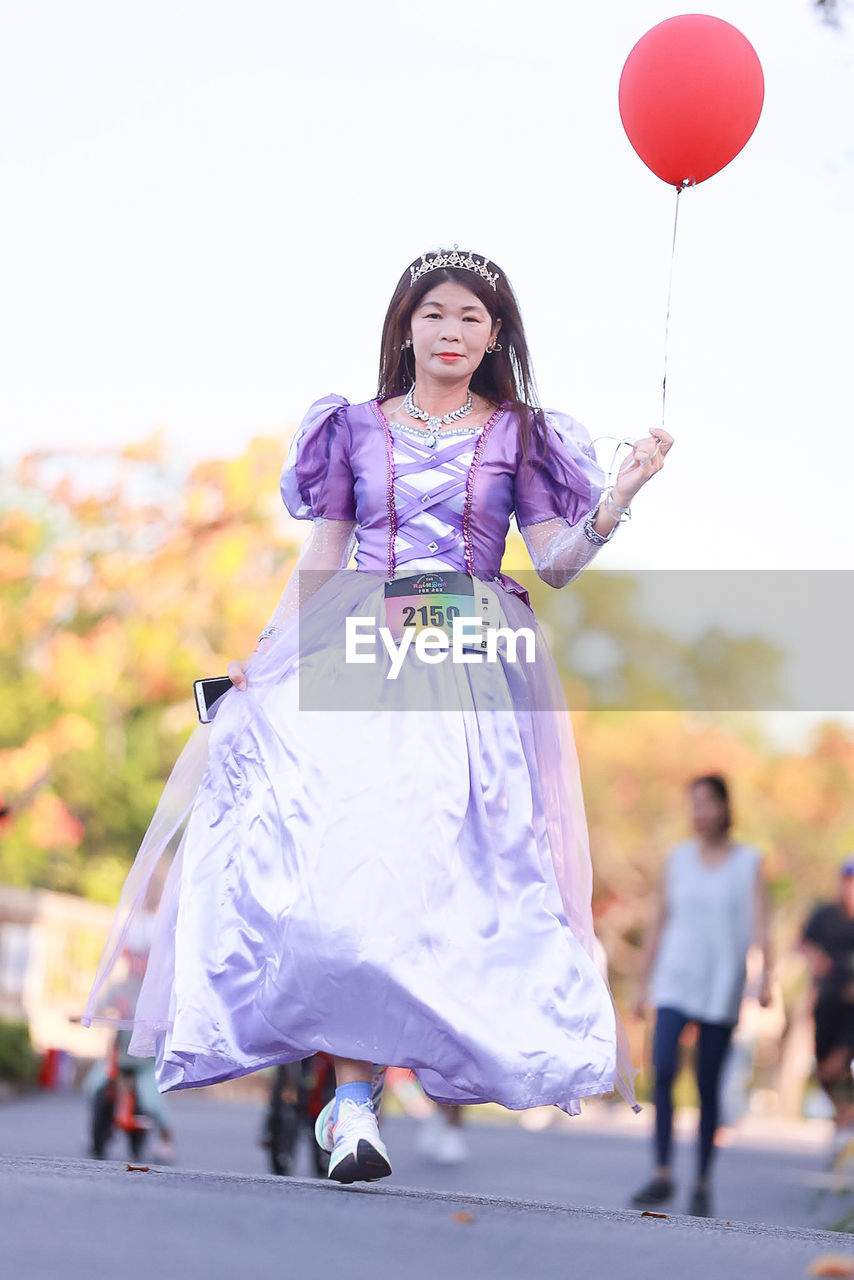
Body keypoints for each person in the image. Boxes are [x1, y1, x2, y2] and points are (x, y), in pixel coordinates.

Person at [83, 245, 673, 1185]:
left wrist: (618, 501)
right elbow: (322, 561)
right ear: (406, 326)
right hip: (365, 657)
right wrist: (268, 662)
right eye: (435, 313)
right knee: (352, 879)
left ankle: (406, 1075)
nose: (451, 331)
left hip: (468, 671)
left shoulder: (521, 434)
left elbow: (553, 562)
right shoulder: (351, 428)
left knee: (452, 888)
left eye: (472, 318)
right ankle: (351, 1104)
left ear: (495, 337)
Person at [630, 774, 772, 1217]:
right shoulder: (677, 859)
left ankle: (703, 1181)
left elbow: (762, 923)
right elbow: (659, 920)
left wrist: (766, 974)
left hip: (721, 982)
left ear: (726, 807)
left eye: (707, 803)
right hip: (675, 978)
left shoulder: (749, 861)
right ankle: (662, 1173)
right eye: (693, 804)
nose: (700, 812)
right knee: (665, 1068)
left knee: (709, 1084)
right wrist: (641, 981)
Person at [801, 857, 854, 1159]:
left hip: (852, 1010)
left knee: (839, 1061)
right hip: (827, 1003)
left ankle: (846, 1121)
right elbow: (804, 942)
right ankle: (844, 1116)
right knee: (825, 1069)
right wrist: (815, 958)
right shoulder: (824, 914)